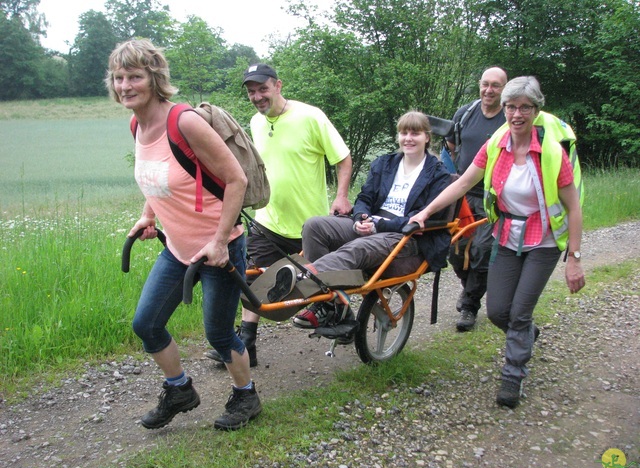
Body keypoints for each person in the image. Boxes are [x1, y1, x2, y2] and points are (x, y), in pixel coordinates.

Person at [106, 39, 261, 431]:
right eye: (119, 77)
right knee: (147, 324)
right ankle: (179, 390)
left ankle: (247, 397)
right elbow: (156, 179)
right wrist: (147, 215)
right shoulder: (136, 124)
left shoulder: (184, 121)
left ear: (154, 79)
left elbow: (235, 179)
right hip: (177, 249)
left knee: (219, 334)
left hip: (218, 248)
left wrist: (221, 241)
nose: (125, 85)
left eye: (135, 76)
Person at [410, 76, 585, 408]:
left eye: (524, 107)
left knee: (519, 313)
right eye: (511, 107)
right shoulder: (495, 145)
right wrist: (425, 212)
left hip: (544, 241)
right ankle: (525, 336)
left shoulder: (551, 153)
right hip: (506, 236)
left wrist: (574, 257)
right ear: (504, 109)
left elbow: (573, 208)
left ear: (536, 110)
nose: (517, 114)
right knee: (497, 311)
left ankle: (513, 375)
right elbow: (462, 184)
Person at [205, 63, 353, 365]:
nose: (257, 96)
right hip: (267, 221)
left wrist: (341, 196)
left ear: (278, 86)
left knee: (314, 283)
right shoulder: (255, 123)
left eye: (262, 89)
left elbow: (343, 158)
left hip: (309, 225)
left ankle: (344, 316)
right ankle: (247, 343)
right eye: (251, 92)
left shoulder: (310, 117)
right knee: (253, 283)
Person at [267, 111, 452, 332]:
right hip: (371, 224)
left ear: (427, 137)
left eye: (415, 133)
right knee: (314, 225)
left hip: (404, 235)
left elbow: (423, 215)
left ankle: (303, 278)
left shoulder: (437, 173)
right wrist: (359, 217)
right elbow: (364, 198)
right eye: (404, 133)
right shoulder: (385, 164)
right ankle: (330, 303)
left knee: (358, 247)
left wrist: (378, 225)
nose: (408, 138)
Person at [445, 66, 508, 332]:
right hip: (462, 194)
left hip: (493, 197)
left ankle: (470, 305)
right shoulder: (465, 113)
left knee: (482, 251)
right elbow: (450, 145)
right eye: (485, 84)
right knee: (453, 249)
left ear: (504, 89)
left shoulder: (509, 117)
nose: (489, 90)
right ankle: (469, 288)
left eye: (495, 85)